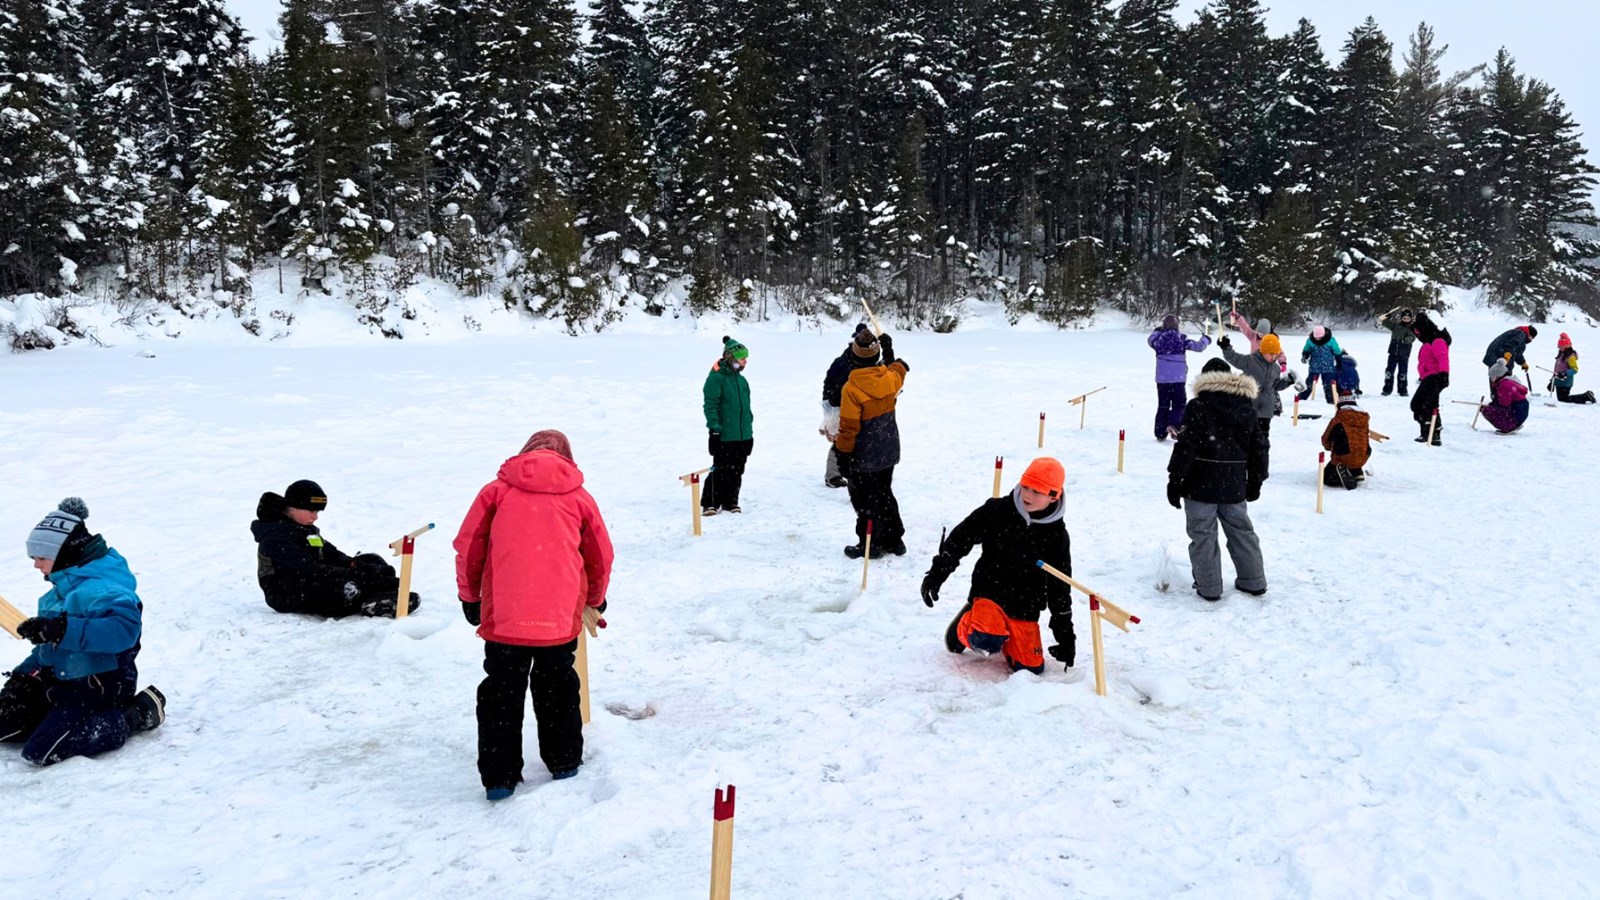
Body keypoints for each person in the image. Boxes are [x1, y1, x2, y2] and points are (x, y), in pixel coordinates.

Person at [453, 429, 615, 801]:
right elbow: (600, 556)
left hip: (505, 619)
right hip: (558, 619)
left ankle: (499, 778)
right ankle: (564, 763)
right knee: (557, 688)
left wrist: (469, 595)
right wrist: (596, 598)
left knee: (500, 695)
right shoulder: (579, 498)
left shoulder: (496, 492)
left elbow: (469, 546)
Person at [1, 498, 165, 766]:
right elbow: (49, 647)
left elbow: (124, 631)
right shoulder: (59, 590)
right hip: (62, 679)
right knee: (6, 722)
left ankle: (136, 713)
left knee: (41, 751)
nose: (36, 565)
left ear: (62, 553)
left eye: (41, 557)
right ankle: (50, 717)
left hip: (100, 684)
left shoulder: (104, 588)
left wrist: (62, 629)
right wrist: (23, 676)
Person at [919, 458, 1074, 675]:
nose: (1027, 495)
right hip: (990, 592)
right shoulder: (998, 511)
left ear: (1053, 496)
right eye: (1026, 486)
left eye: (1037, 491)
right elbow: (961, 538)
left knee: (1031, 668)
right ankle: (967, 623)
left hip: (1025, 606)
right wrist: (938, 572)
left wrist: (1064, 632)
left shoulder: (1057, 536)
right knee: (985, 640)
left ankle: (1007, 638)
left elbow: (1060, 584)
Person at [1166, 360, 1268, 601]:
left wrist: (1175, 479)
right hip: (1233, 484)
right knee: (1242, 532)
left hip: (1199, 483)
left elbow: (1186, 446)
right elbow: (1260, 447)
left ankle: (1209, 587)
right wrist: (1256, 479)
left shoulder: (1198, 406)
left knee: (1203, 535)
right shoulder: (1247, 408)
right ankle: (1253, 581)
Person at [252, 480, 418, 617]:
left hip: (311, 579)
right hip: (287, 591)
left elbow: (328, 553)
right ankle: (367, 599)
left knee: (370, 560)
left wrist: (354, 564)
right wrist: (353, 573)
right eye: (311, 510)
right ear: (293, 507)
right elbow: (308, 568)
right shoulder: (275, 537)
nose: (315, 517)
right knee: (343, 586)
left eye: (317, 511)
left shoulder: (304, 528)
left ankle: (373, 589)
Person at [835, 332, 909, 558]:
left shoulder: (852, 388)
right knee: (884, 493)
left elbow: (849, 428)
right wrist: (889, 350)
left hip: (864, 454)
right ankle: (895, 540)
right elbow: (899, 368)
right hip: (888, 449)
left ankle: (871, 544)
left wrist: (843, 454)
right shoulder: (889, 377)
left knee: (865, 501)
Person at [1219, 332, 1296, 480]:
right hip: (1249, 408)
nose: (1274, 357)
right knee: (1246, 438)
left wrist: (1287, 381)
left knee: (1263, 441)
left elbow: (1275, 386)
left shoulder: (1275, 368)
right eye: (1271, 354)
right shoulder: (1250, 361)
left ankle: (1260, 469)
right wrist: (1226, 346)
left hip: (1266, 410)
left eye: (1276, 354)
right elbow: (1233, 357)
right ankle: (1242, 465)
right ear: (1263, 351)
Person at [821, 325, 882, 487]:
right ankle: (834, 475)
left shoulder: (866, 360)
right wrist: (832, 405)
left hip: (857, 407)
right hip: (845, 407)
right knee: (844, 439)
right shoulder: (848, 362)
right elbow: (832, 384)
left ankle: (870, 472)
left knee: (856, 440)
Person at [702, 336, 753, 515]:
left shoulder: (742, 381)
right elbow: (711, 406)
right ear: (731, 358)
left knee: (738, 469)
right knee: (721, 469)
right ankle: (711, 502)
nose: (745, 361)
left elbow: (746, 410)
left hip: (742, 434)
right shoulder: (716, 379)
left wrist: (749, 433)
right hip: (724, 434)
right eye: (742, 358)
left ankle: (731, 501)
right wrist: (714, 429)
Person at [1147, 313, 1211, 441]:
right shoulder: (1181, 340)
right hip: (1178, 379)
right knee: (1179, 404)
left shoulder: (1158, 341)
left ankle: (1160, 432)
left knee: (1163, 405)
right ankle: (1174, 424)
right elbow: (1198, 347)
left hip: (1163, 380)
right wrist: (1206, 339)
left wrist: (1156, 331)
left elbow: (1150, 340)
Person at [1410, 311, 1452, 445]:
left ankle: (1431, 433)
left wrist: (1444, 374)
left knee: (1420, 404)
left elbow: (1443, 357)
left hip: (1435, 377)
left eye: (1418, 332)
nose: (1417, 336)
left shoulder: (1437, 340)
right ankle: (1431, 434)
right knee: (1429, 404)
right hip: (1428, 377)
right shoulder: (1428, 340)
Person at [1321, 386, 1371, 489]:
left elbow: (1325, 440)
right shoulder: (1364, 419)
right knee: (1355, 448)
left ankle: (1341, 474)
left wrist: (1330, 447)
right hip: (1363, 456)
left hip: (1343, 455)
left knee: (1326, 477)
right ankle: (1357, 471)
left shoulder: (1338, 419)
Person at [1480, 359, 1531, 434]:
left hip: (1515, 415)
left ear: (1498, 376)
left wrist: (1488, 408)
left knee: (1487, 411)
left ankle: (1508, 427)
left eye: (1492, 377)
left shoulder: (1504, 386)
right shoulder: (1508, 382)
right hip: (1519, 413)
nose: (1491, 379)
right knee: (1490, 409)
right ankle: (1513, 424)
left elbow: (1504, 404)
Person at [1298, 326, 1344, 404]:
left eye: (1320, 337)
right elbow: (1306, 350)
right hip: (1314, 367)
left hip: (1328, 368)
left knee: (1328, 385)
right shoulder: (1310, 341)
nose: (1318, 339)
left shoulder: (1331, 340)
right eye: (1316, 337)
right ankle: (1301, 400)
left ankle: (1331, 402)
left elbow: (1337, 352)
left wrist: (1339, 363)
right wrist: (1305, 356)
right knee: (1309, 384)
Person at [1377, 307, 1416, 396]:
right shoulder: (1396, 326)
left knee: (1402, 372)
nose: (1406, 320)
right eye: (1404, 318)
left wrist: (1406, 340)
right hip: (1393, 352)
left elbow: (1413, 337)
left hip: (1404, 354)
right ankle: (1387, 389)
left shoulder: (1411, 328)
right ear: (1401, 318)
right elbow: (1385, 323)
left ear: (1410, 319)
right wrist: (1387, 316)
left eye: (1408, 318)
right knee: (1389, 371)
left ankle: (1403, 390)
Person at [1551, 333, 1596, 404]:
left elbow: (1575, 369)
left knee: (1564, 399)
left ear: (1566, 346)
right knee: (1561, 399)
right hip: (1559, 382)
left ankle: (1586, 396)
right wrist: (1552, 382)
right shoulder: (1561, 355)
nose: (1559, 348)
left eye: (1561, 347)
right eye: (1559, 346)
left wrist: (1565, 373)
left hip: (1565, 382)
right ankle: (1586, 396)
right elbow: (1557, 370)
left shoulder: (1570, 357)